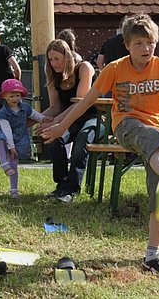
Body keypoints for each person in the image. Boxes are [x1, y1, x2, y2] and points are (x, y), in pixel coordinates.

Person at [41, 14, 159, 277]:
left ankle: (152, 256)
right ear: (128, 45)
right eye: (139, 43)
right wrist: (61, 126)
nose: (146, 48)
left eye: (150, 43)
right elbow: (85, 102)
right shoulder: (115, 69)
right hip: (126, 127)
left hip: (157, 132)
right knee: (154, 144)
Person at [35, 39, 103, 204]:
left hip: (93, 118)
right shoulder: (53, 76)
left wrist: (56, 122)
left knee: (81, 140)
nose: (53, 63)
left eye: (57, 58)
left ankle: (72, 189)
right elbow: (55, 107)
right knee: (54, 138)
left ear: (67, 56)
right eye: (50, 60)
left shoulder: (84, 68)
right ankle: (62, 184)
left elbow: (80, 103)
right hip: (70, 120)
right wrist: (34, 120)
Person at [0, 79, 52, 199]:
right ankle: (4, 163)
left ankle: (14, 190)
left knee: (14, 163)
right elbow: (6, 131)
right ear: (4, 97)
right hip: (4, 134)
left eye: (17, 95)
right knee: (0, 139)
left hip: (20, 137)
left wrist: (43, 119)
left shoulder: (24, 107)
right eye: (11, 96)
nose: (15, 99)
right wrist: (11, 147)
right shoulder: (3, 113)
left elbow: (34, 114)